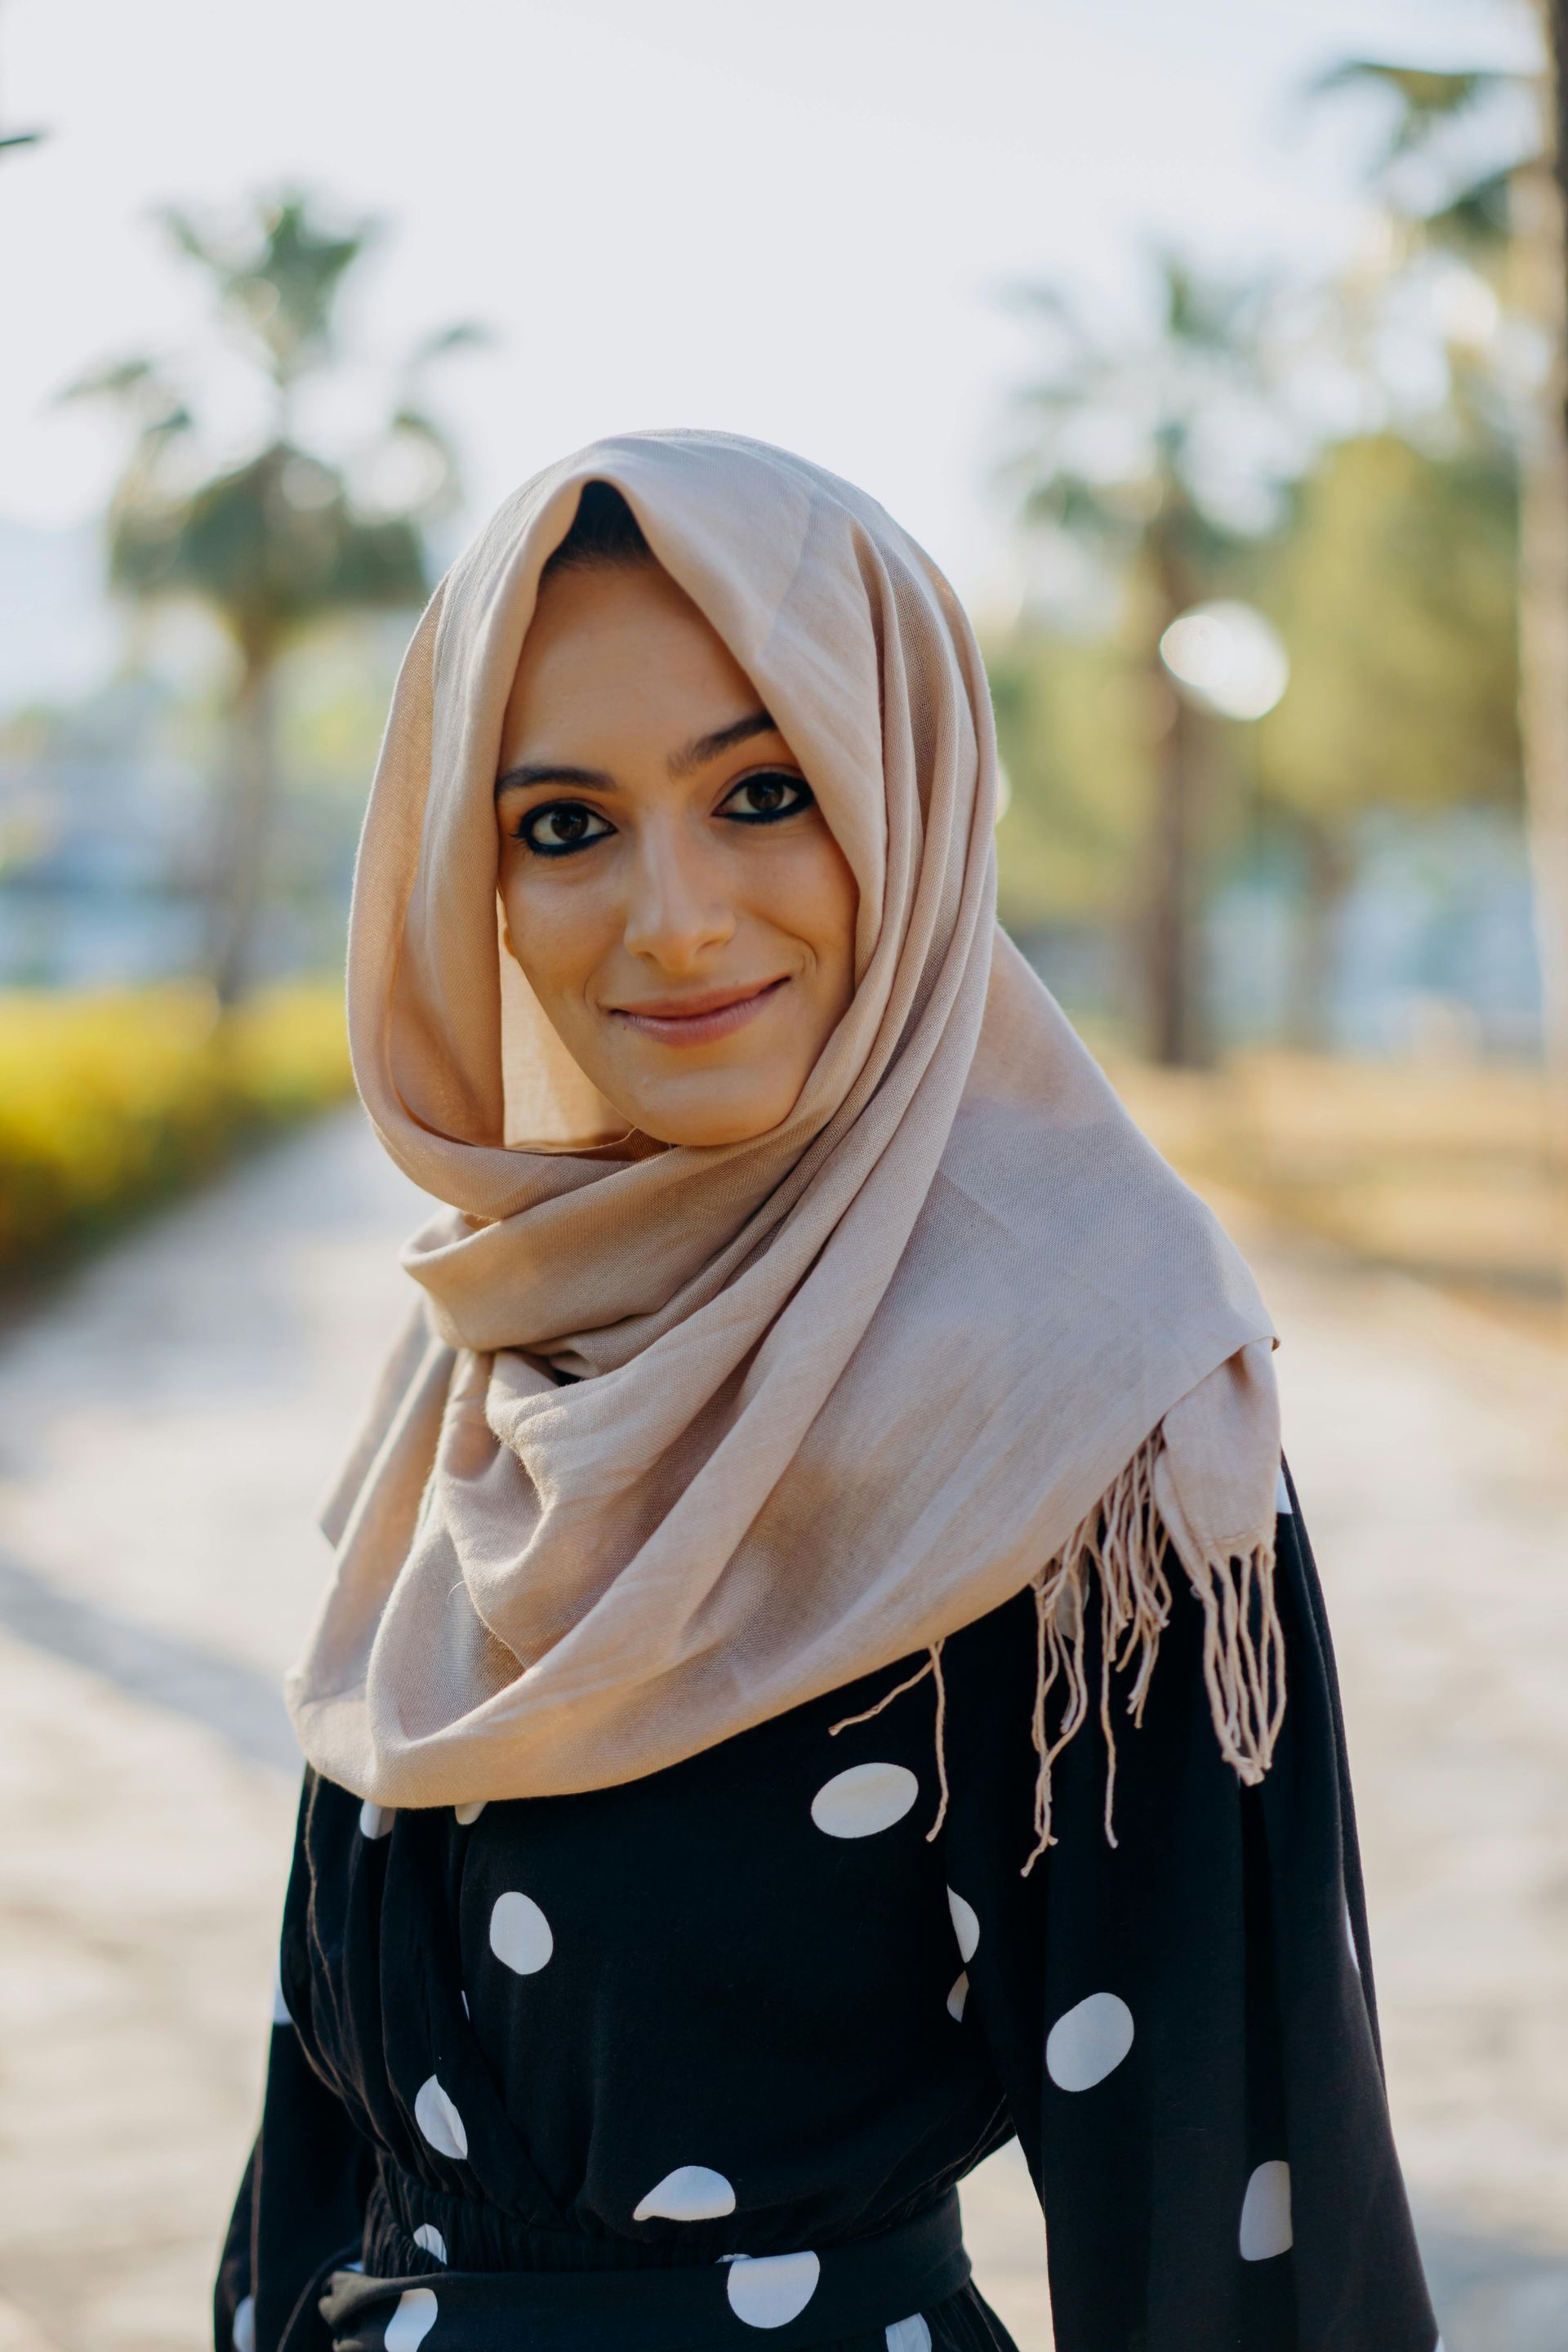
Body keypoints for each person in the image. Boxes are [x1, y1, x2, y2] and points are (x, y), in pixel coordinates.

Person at [216, 432, 1439, 2352]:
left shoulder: (1092, 1418)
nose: (676, 918)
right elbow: (321, 2145)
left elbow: (1239, 2235)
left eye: (765, 792)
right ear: (474, 882)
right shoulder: (490, 1351)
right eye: (563, 825)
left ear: (909, 802)